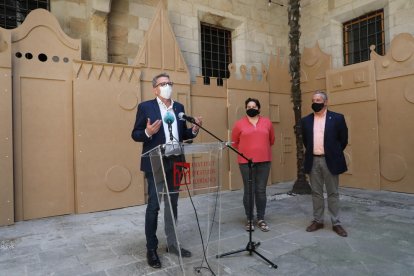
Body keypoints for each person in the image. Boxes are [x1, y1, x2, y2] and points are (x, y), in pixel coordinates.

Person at [131, 72, 202, 268]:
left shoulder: (179, 107)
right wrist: (148, 132)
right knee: (154, 205)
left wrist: (193, 130)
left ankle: (172, 244)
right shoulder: (146, 107)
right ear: (155, 89)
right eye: (163, 83)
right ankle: (151, 249)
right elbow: (135, 134)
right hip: (155, 162)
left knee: (173, 204)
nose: (167, 85)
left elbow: (183, 134)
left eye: (169, 83)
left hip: (177, 160)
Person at [301, 90, 348, 237]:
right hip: (313, 160)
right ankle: (318, 221)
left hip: (330, 160)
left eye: (318, 100)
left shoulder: (338, 118)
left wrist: (333, 152)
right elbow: (306, 142)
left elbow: (343, 140)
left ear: (325, 102)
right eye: (313, 100)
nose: (315, 102)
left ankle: (336, 223)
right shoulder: (306, 120)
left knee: (333, 193)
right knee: (316, 193)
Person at [231, 98, 275, 232]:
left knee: (261, 190)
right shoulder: (239, 124)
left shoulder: (267, 122)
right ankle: (249, 219)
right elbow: (235, 142)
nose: (251, 108)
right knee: (249, 190)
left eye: (254, 106)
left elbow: (271, 140)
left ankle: (261, 218)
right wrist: (247, 151)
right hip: (246, 162)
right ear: (246, 108)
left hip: (264, 161)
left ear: (258, 109)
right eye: (248, 106)